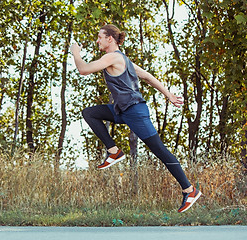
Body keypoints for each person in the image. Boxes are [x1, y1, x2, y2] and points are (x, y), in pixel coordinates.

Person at [70, 24, 201, 213]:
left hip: (135, 112)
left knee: (160, 151)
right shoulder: (123, 60)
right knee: (90, 113)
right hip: (122, 110)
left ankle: (189, 190)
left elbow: (83, 69)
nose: (97, 40)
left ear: (110, 39)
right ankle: (114, 151)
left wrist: (76, 53)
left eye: (100, 37)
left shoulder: (113, 56)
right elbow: (147, 77)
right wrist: (169, 95)